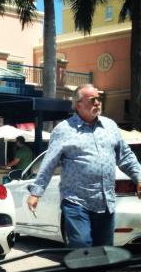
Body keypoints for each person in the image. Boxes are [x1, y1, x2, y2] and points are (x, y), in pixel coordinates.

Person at [26, 84, 141, 248]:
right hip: (76, 201)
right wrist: (36, 192)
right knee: (82, 245)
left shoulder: (110, 126)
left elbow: (125, 156)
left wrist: (139, 177)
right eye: (92, 100)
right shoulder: (64, 130)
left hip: (105, 202)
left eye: (98, 99)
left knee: (104, 252)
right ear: (78, 104)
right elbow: (49, 162)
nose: (97, 103)